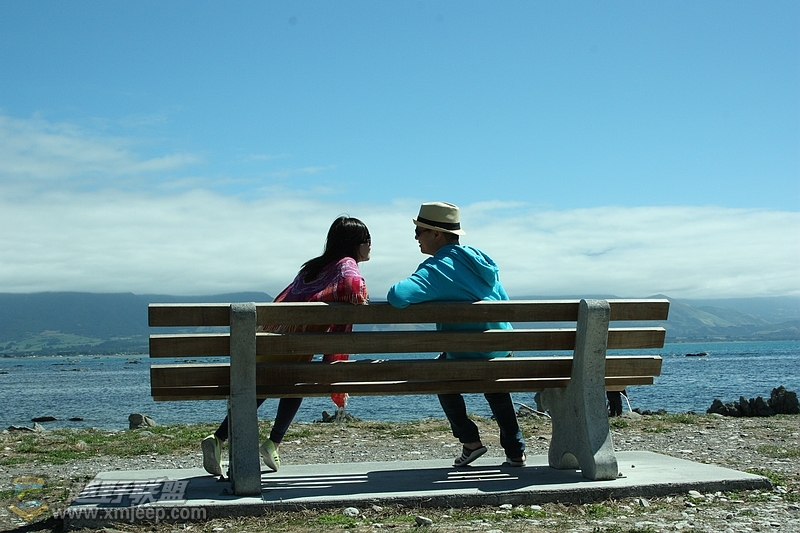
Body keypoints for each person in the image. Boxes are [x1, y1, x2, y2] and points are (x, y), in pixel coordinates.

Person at [201, 216, 371, 476]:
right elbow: (354, 286)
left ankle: (219, 438)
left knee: (267, 386)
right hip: (295, 353)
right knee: (295, 382)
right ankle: (272, 443)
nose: (370, 246)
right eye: (367, 240)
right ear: (354, 244)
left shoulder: (310, 269)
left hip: (271, 343)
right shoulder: (346, 264)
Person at [386, 202, 526, 467]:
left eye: (419, 231)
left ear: (436, 234)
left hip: (466, 354)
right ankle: (516, 451)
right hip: (501, 348)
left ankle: (470, 441)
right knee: (495, 384)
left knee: (439, 374)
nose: (416, 238)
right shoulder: (480, 261)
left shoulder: (438, 268)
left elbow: (398, 296)